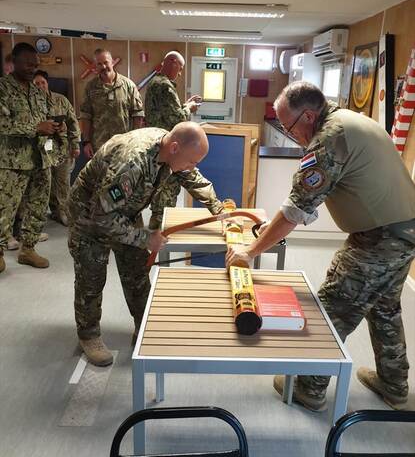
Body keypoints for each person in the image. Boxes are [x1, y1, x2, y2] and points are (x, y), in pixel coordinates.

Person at [226, 81, 415, 411]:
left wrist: (251, 250)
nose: (290, 135)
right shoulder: (348, 120)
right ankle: (394, 385)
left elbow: (296, 209)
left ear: (309, 116)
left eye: (288, 127)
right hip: (403, 232)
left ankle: (308, 388)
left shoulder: (329, 138)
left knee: (332, 308)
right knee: (384, 308)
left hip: (380, 240)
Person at [67, 121, 224, 367]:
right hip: (90, 215)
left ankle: (143, 324)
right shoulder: (131, 164)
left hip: (124, 212)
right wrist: (145, 238)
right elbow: (103, 217)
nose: (193, 166)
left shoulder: (170, 148)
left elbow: (191, 175)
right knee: (91, 277)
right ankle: (89, 335)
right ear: (175, 148)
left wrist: (218, 208)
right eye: (192, 160)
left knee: (137, 270)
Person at [0, 43, 63, 272]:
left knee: (38, 206)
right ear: (14, 61)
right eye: (27, 63)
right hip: (13, 162)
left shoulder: (37, 92)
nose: (32, 68)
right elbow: (3, 123)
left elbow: (45, 120)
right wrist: (36, 127)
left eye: (35, 65)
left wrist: (55, 129)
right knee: (5, 209)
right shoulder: (3, 88)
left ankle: (28, 249)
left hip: (40, 159)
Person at [33, 70, 81, 226]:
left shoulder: (61, 100)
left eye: (43, 83)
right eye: (37, 83)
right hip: (40, 150)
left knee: (62, 181)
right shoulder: (29, 103)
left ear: (47, 83)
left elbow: (73, 122)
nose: (40, 86)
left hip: (61, 148)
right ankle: (46, 213)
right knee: (44, 183)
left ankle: (63, 212)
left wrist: (75, 144)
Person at [79, 48, 144, 159]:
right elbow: (85, 116)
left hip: (123, 145)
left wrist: (134, 140)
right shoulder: (90, 87)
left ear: (112, 62)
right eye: (99, 64)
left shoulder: (128, 85)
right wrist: (86, 142)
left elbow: (138, 115)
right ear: (96, 66)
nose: (103, 67)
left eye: (106, 62)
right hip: (99, 146)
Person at [145, 51, 201, 130]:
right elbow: (177, 120)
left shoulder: (154, 81)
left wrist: (185, 105)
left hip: (155, 133)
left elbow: (167, 111)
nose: (180, 74)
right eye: (180, 69)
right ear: (174, 63)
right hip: (163, 134)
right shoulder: (164, 85)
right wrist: (189, 108)